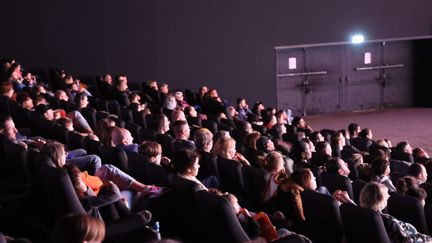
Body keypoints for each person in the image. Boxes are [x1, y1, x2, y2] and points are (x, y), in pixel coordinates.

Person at [359, 182, 432, 242]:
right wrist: (427, 239)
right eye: (386, 194)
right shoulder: (388, 221)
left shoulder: (360, 213)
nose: (388, 196)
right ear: (379, 200)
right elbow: (407, 240)